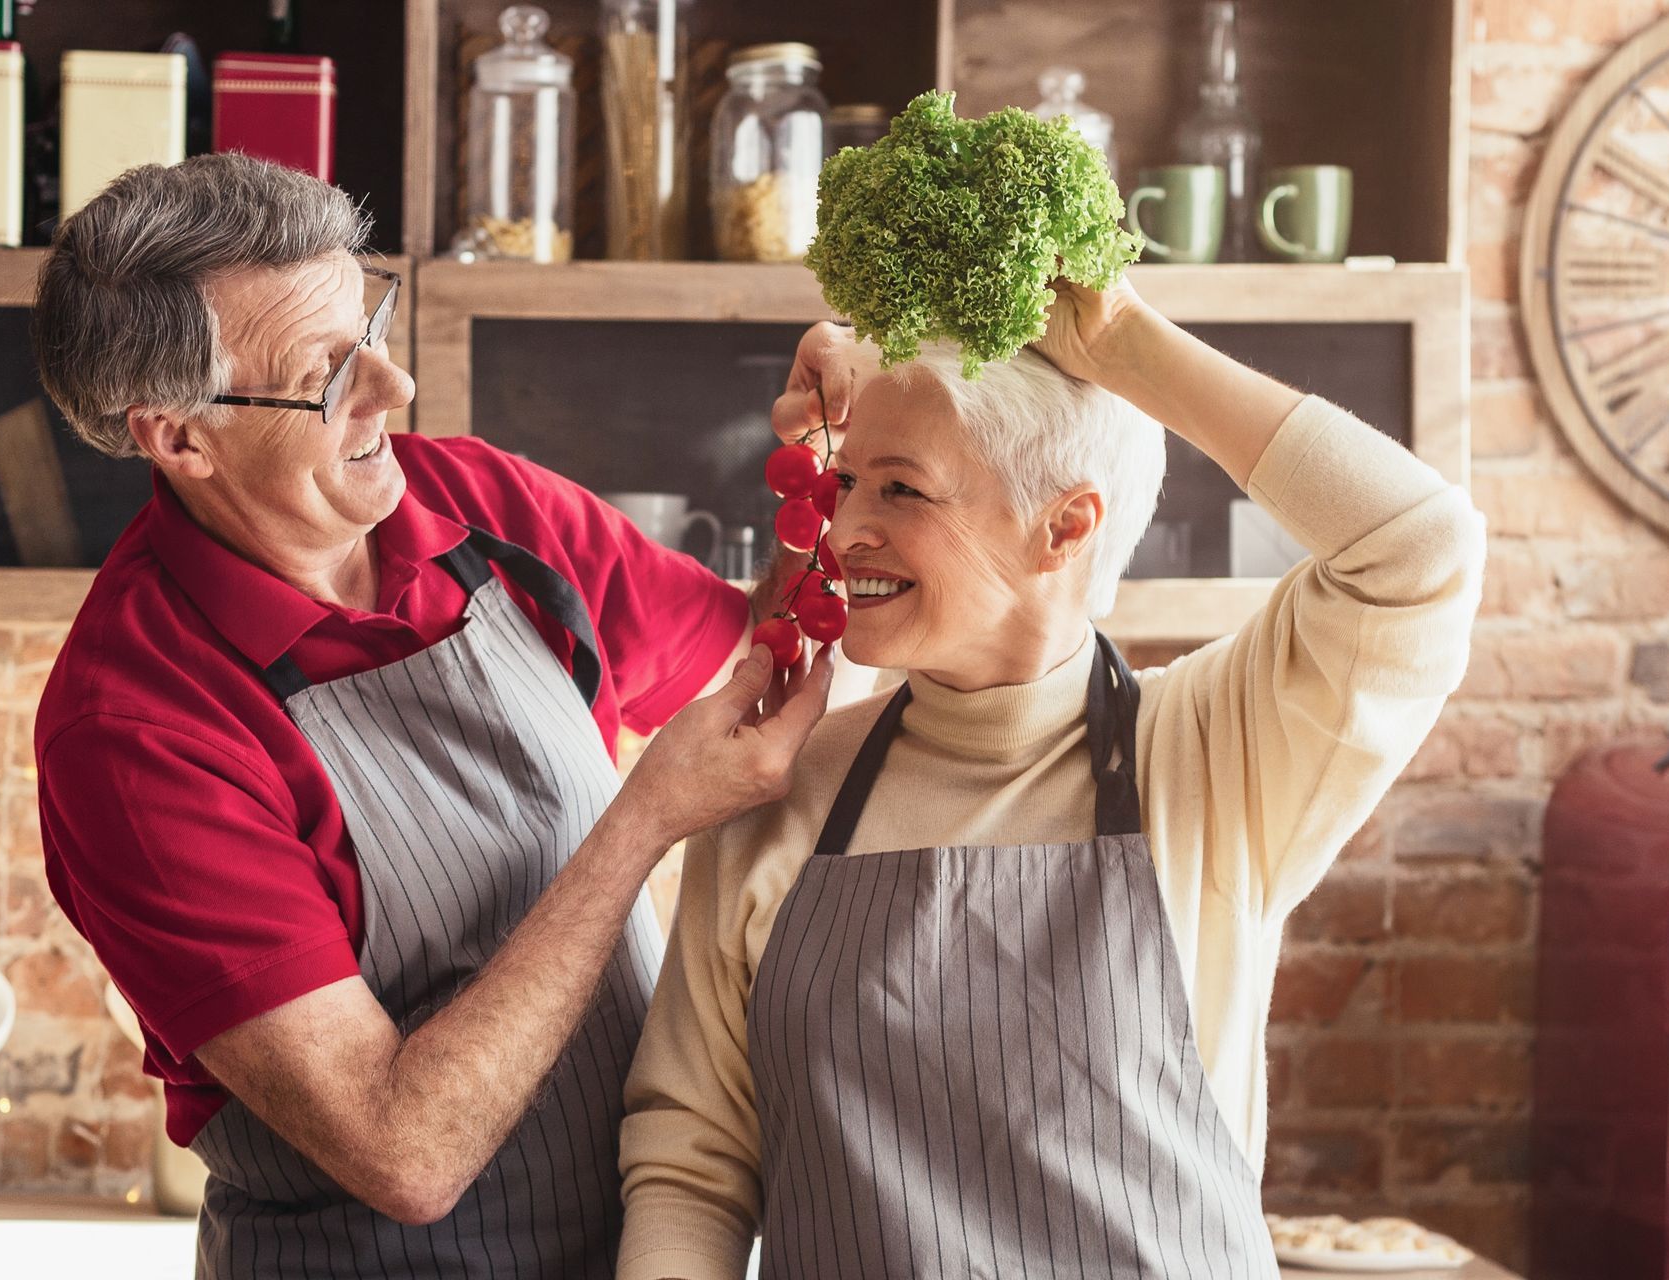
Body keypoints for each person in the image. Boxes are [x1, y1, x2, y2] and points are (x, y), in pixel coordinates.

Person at [29, 152, 840, 1278]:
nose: (393, 387)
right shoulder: (136, 730)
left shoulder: (477, 504)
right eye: (328, 370)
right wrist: (642, 822)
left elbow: (761, 646)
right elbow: (401, 1147)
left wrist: (828, 455)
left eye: (373, 322)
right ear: (179, 436)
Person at [617, 278, 1488, 1278]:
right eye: (846, 480)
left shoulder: (1212, 749)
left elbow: (1420, 548)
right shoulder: (778, 786)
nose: (844, 524)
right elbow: (693, 1162)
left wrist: (1125, 346)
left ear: (1065, 528)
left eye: (901, 487)